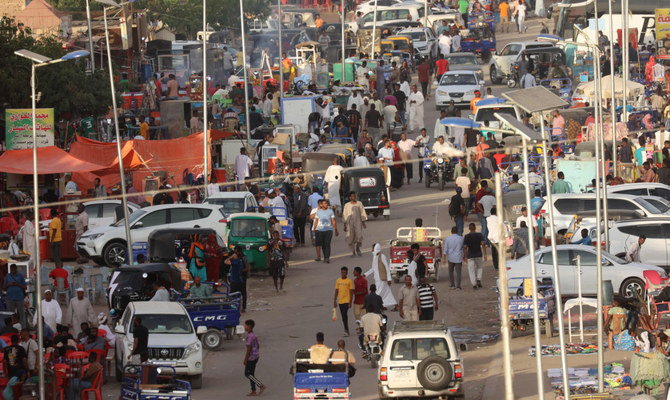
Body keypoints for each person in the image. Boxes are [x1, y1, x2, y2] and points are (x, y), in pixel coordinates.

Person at [365, 243, 397, 310]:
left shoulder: (382, 256)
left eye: (373, 248)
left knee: (378, 292)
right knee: (387, 292)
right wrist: (365, 274)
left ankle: (376, 306)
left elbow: (387, 267)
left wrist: (389, 279)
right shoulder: (374, 257)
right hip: (377, 279)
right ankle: (395, 306)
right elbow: (373, 268)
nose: (372, 250)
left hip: (382, 279)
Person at [342, 192, 367, 256]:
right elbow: (345, 215)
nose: (353, 198)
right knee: (350, 237)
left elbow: (362, 213)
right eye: (352, 196)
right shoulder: (347, 205)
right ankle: (353, 251)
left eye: (354, 196)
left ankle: (358, 248)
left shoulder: (359, 204)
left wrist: (363, 222)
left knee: (359, 236)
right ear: (350, 197)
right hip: (349, 224)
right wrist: (344, 225)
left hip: (358, 222)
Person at [226, 246, 250, 312]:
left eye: (236, 252)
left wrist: (239, 270)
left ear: (239, 251)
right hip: (235, 279)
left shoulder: (244, 258)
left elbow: (247, 268)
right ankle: (233, 307)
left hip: (242, 278)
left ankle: (243, 307)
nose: (235, 253)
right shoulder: (235, 259)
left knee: (243, 293)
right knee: (233, 293)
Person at [463, 223, 486, 290]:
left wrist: (465, 256)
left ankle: (474, 284)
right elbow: (483, 244)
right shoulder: (480, 235)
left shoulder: (467, 236)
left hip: (470, 255)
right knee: (479, 267)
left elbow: (465, 247)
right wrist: (485, 254)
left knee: (471, 270)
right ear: (475, 228)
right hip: (478, 254)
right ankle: (478, 279)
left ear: (469, 229)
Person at [4, 264, 26, 329]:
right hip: (10, 298)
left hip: (19, 297)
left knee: (21, 313)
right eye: (11, 269)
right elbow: (4, 287)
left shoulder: (20, 276)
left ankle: (23, 327)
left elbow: (25, 287)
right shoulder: (7, 276)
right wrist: (9, 284)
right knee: (10, 314)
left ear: (16, 269)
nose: (13, 270)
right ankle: (11, 327)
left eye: (14, 269)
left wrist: (17, 284)